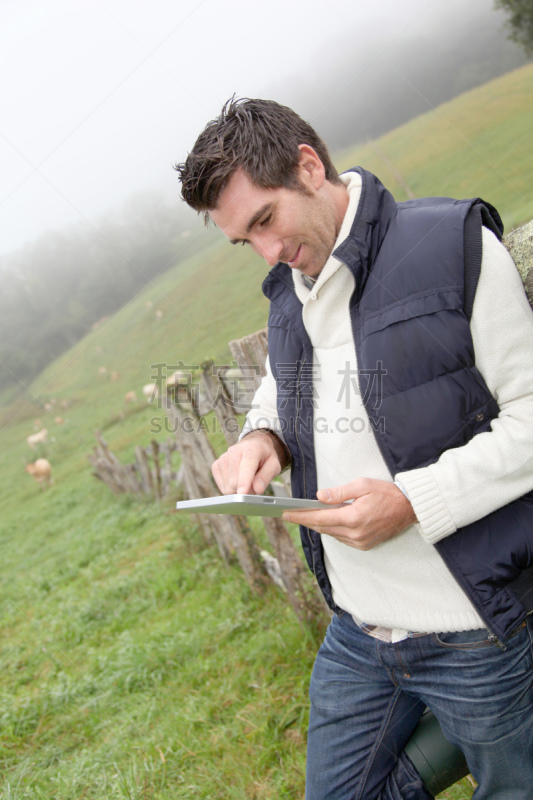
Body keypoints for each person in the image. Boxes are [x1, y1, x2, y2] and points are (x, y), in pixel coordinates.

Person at [176, 98, 533, 800]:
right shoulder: (288, 292)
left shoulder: (452, 244)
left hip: (472, 629)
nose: (266, 252)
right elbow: (286, 386)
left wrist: (411, 501)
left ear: (308, 167)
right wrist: (261, 438)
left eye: (264, 221)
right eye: (243, 241)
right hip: (356, 633)